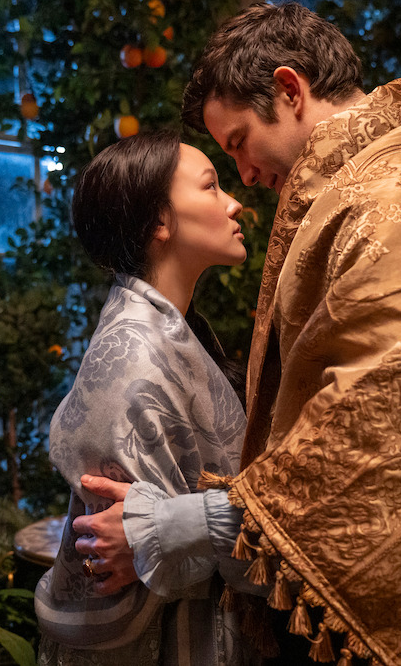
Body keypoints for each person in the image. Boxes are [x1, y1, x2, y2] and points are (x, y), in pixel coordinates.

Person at [71, 1, 401, 666]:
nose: (245, 180)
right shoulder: (375, 185)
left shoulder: (395, 201)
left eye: (238, 143)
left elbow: (369, 452)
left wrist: (168, 525)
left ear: (289, 90)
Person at [34, 129, 258, 666]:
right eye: (210, 186)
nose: (234, 203)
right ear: (159, 221)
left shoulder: (165, 327)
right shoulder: (136, 351)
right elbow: (125, 546)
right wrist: (164, 532)